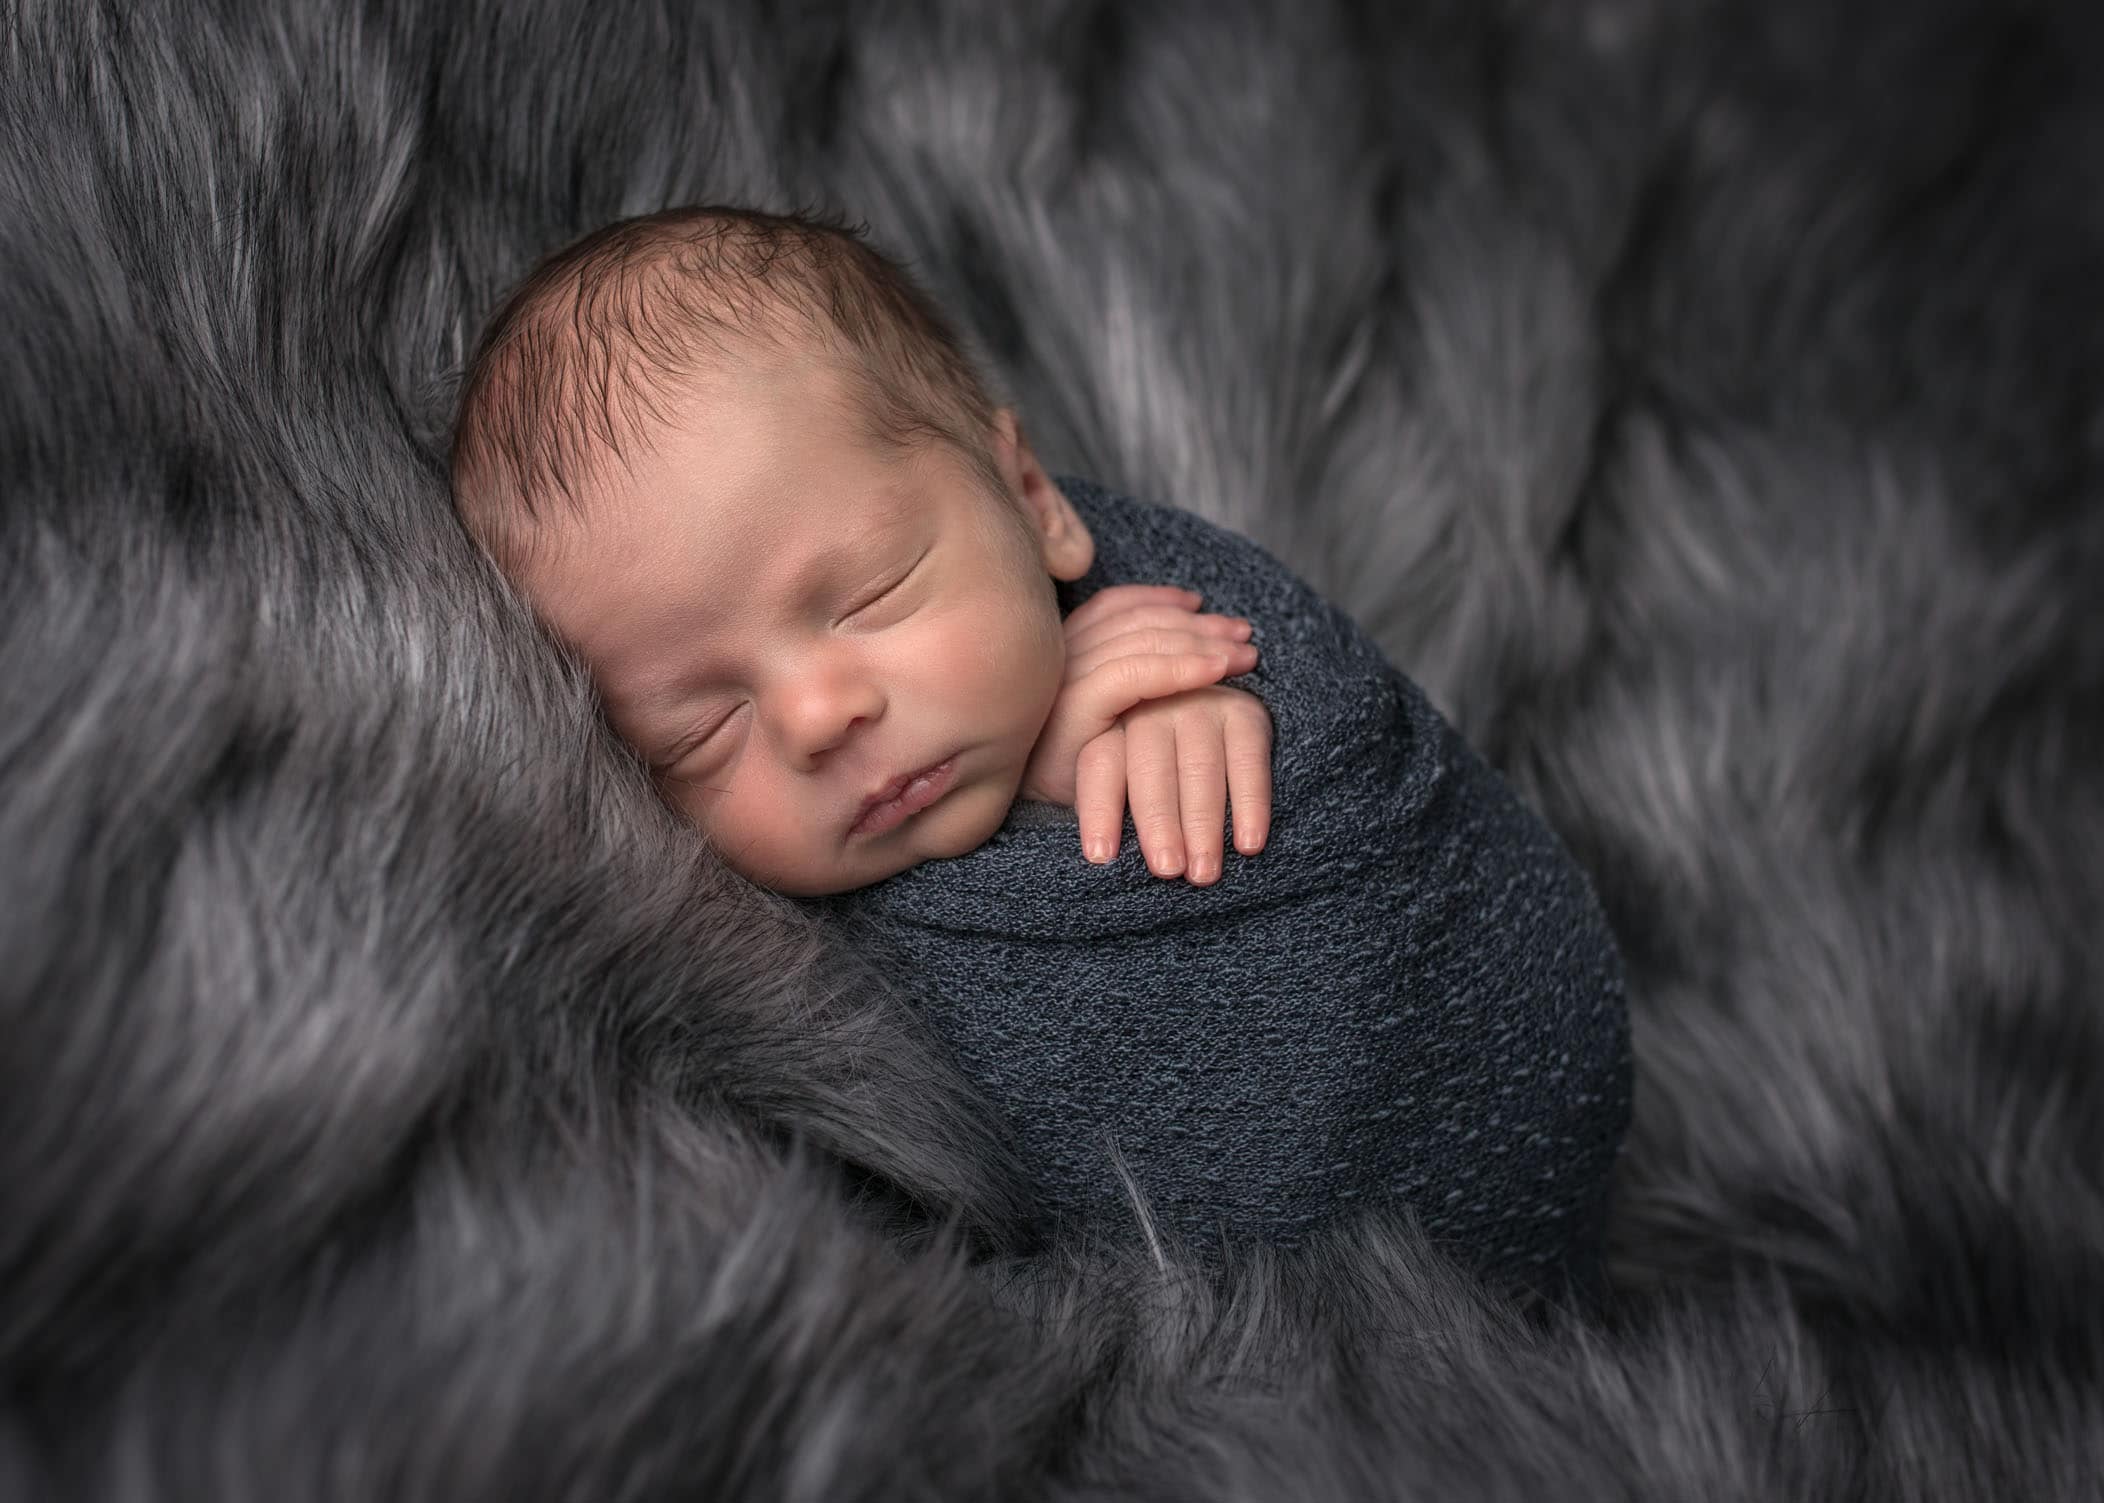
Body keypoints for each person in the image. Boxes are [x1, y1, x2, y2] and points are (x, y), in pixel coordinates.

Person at [450, 206, 1631, 1298]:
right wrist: (1030, 789)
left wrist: (1221, 713)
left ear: (1031, 501)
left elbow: (1374, 807)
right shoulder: (756, 952)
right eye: (700, 728)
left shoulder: (1180, 628)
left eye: (869, 594)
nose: (817, 716)